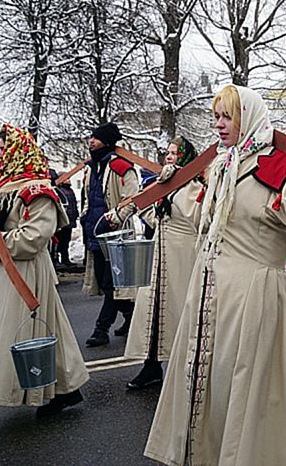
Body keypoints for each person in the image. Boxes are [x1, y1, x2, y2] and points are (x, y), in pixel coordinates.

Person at [144, 85, 286, 465]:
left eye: (228, 117)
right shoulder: (222, 164)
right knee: (213, 382)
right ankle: (210, 453)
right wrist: (177, 187)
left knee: (250, 387)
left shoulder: (279, 167)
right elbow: (206, 219)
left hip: (254, 293)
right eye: (216, 116)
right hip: (210, 291)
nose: (220, 125)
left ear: (247, 117)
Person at [0, 124, 88, 423]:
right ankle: (63, 390)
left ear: (20, 149)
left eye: (5, 148)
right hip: (0, 269)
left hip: (24, 271)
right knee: (44, 331)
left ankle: (35, 389)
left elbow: (35, 236)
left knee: (16, 334)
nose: (0, 153)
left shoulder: (37, 189)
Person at [124, 137, 206, 390]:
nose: (169, 157)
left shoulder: (191, 186)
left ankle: (189, 365)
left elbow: (198, 218)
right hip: (160, 255)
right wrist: (144, 206)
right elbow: (158, 218)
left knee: (181, 310)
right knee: (153, 310)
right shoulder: (166, 183)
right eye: (167, 153)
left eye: (174, 153)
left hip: (182, 256)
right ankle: (151, 366)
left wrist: (176, 186)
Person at [80, 122, 140, 347]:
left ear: (106, 141)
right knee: (109, 283)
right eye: (91, 137)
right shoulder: (90, 167)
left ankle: (101, 328)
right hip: (95, 235)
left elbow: (133, 199)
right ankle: (131, 314)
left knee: (111, 283)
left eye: (95, 138)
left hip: (115, 236)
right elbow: (89, 197)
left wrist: (113, 219)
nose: (91, 141)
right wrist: (86, 217)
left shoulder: (122, 168)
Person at [50, 169, 78, 267]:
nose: (69, 180)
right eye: (67, 178)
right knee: (59, 241)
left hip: (69, 220)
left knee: (66, 241)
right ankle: (57, 258)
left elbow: (73, 204)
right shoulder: (59, 190)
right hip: (62, 221)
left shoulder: (69, 190)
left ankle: (65, 259)